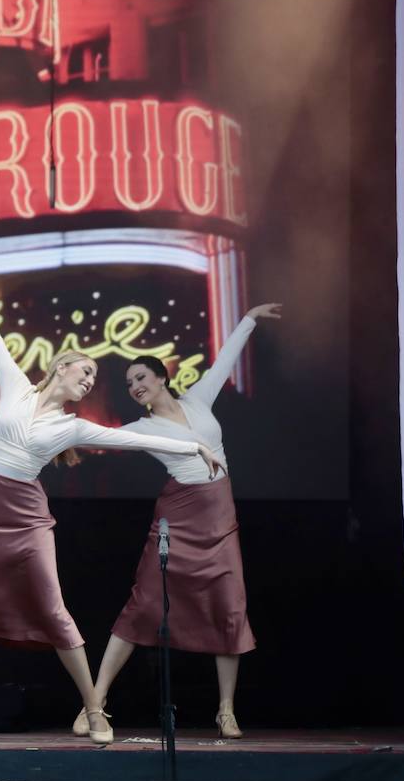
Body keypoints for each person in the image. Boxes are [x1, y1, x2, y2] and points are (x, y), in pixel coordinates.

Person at [0, 264, 224, 745]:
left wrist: (194, 447)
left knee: (53, 607)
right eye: (85, 371)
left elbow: (126, 442)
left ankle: (93, 709)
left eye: (93, 377)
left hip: (27, 517)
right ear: (61, 367)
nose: (89, 380)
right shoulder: (14, 386)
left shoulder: (73, 426)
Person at [73, 303, 280, 740]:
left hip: (219, 518)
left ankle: (225, 710)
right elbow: (98, 435)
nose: (135, 387)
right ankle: (95, 703)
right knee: (143, 604)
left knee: (229, 606)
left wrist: (249, 319)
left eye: (141, 378)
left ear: (162, 376)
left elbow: (224, 361)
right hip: (177, 517)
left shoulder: (199, 400)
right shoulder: (139, 428)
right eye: (129, 384)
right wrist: (62, 436)